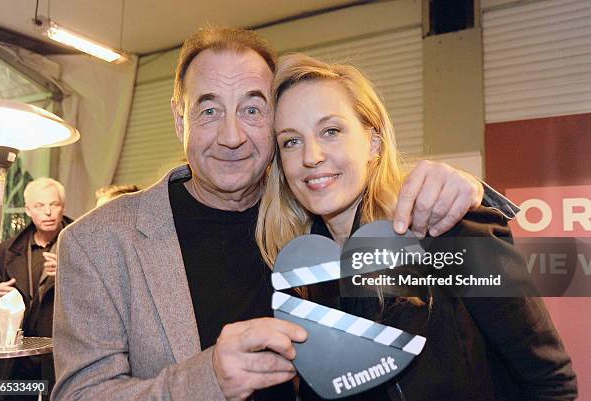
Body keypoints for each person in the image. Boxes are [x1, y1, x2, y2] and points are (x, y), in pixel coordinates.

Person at [52, 27, 518, 401]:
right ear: (180, 120)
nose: (231, 135)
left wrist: (466, 186)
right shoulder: (98, 242)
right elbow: (79, 393)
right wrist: (205, 380)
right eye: (209, 110)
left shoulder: (308, 215)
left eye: (252, 109)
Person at [256, 53, 577, 400]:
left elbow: (551, 383)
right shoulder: (299, 279)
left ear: (373, 143)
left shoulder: (451, 233)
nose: (311, 156)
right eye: (291, 141)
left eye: (331, 131)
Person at [0, 177, 72, 401]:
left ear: (62, 206)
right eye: (39, 205)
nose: (48, 212)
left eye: (54, 204)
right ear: (28, 210)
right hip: (17, 356)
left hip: (61, 353)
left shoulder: (81, 242)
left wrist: (69, 272)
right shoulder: (6, 250)